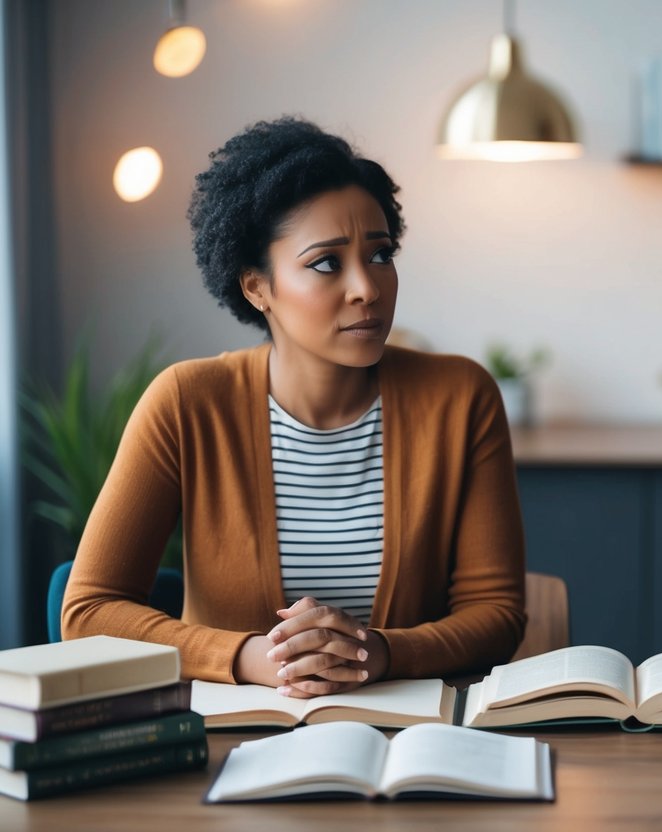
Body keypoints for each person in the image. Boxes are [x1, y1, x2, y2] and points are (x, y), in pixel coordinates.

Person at [63, 118, 526, 696]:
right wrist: (252, 657)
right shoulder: (186, 404)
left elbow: (497, 614)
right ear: (257, 287)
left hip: (408, 741)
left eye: (380, 255)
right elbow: (88, 612)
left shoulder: (461, 399)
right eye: (327, 263)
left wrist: (375, 652)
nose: (368, 287)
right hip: (231, 745)